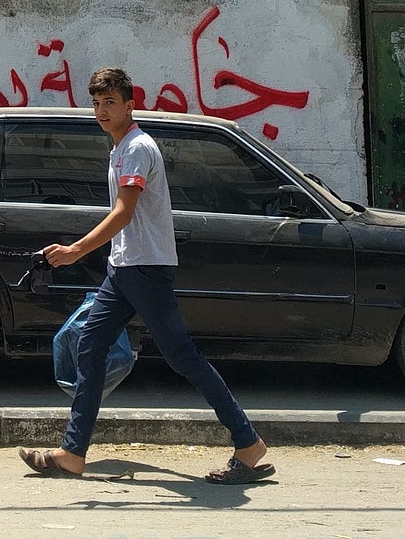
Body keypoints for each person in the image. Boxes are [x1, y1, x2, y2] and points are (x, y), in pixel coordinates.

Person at [18, 66, 274, 484]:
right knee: (90, 345)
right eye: (97, 103)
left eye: (110, 103)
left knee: (182, 357)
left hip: (146, 269)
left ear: (129, 104)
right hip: (123, 268)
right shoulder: (120, 148)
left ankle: (248, 444)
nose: (101, 111)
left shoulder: (137, 147)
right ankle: (72, 453)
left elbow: (124, 211)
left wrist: (75, 250)